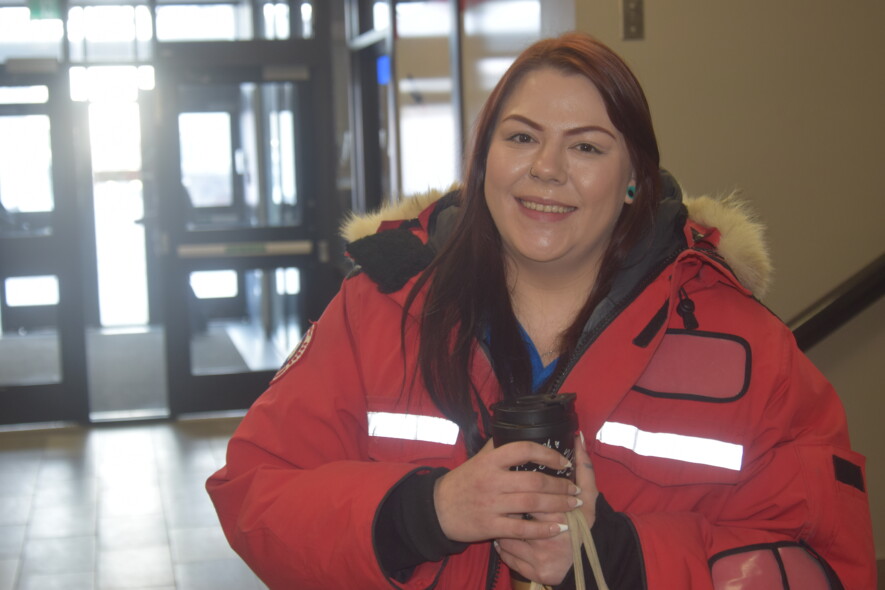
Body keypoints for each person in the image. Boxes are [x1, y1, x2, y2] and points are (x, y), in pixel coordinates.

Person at [206, 32, 876, 589]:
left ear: (633, 177)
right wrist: (428, 511)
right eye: (521, 138)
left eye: (585, 146)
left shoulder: (748, 346)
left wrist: (616, 557)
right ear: (482, 159)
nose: (546, 169)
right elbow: (255, 492)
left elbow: (821, 562)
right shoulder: (376, 311)